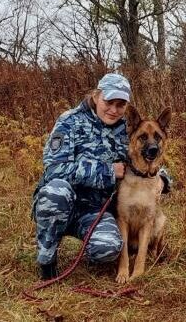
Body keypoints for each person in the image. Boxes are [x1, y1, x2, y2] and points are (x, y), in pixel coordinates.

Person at [32, 72, 171, 280]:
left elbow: (142, 159)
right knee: (55, 193)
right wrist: (106, 172)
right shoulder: (69, 122)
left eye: (120, 104)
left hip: (96, 211)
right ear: (96, 96)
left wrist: (163, 179)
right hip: (64, 205)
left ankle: (94, 248)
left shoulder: (126, 130)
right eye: (109, 102)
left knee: (108, 248)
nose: (114, 110)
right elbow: (54, 169)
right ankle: (47, 259)